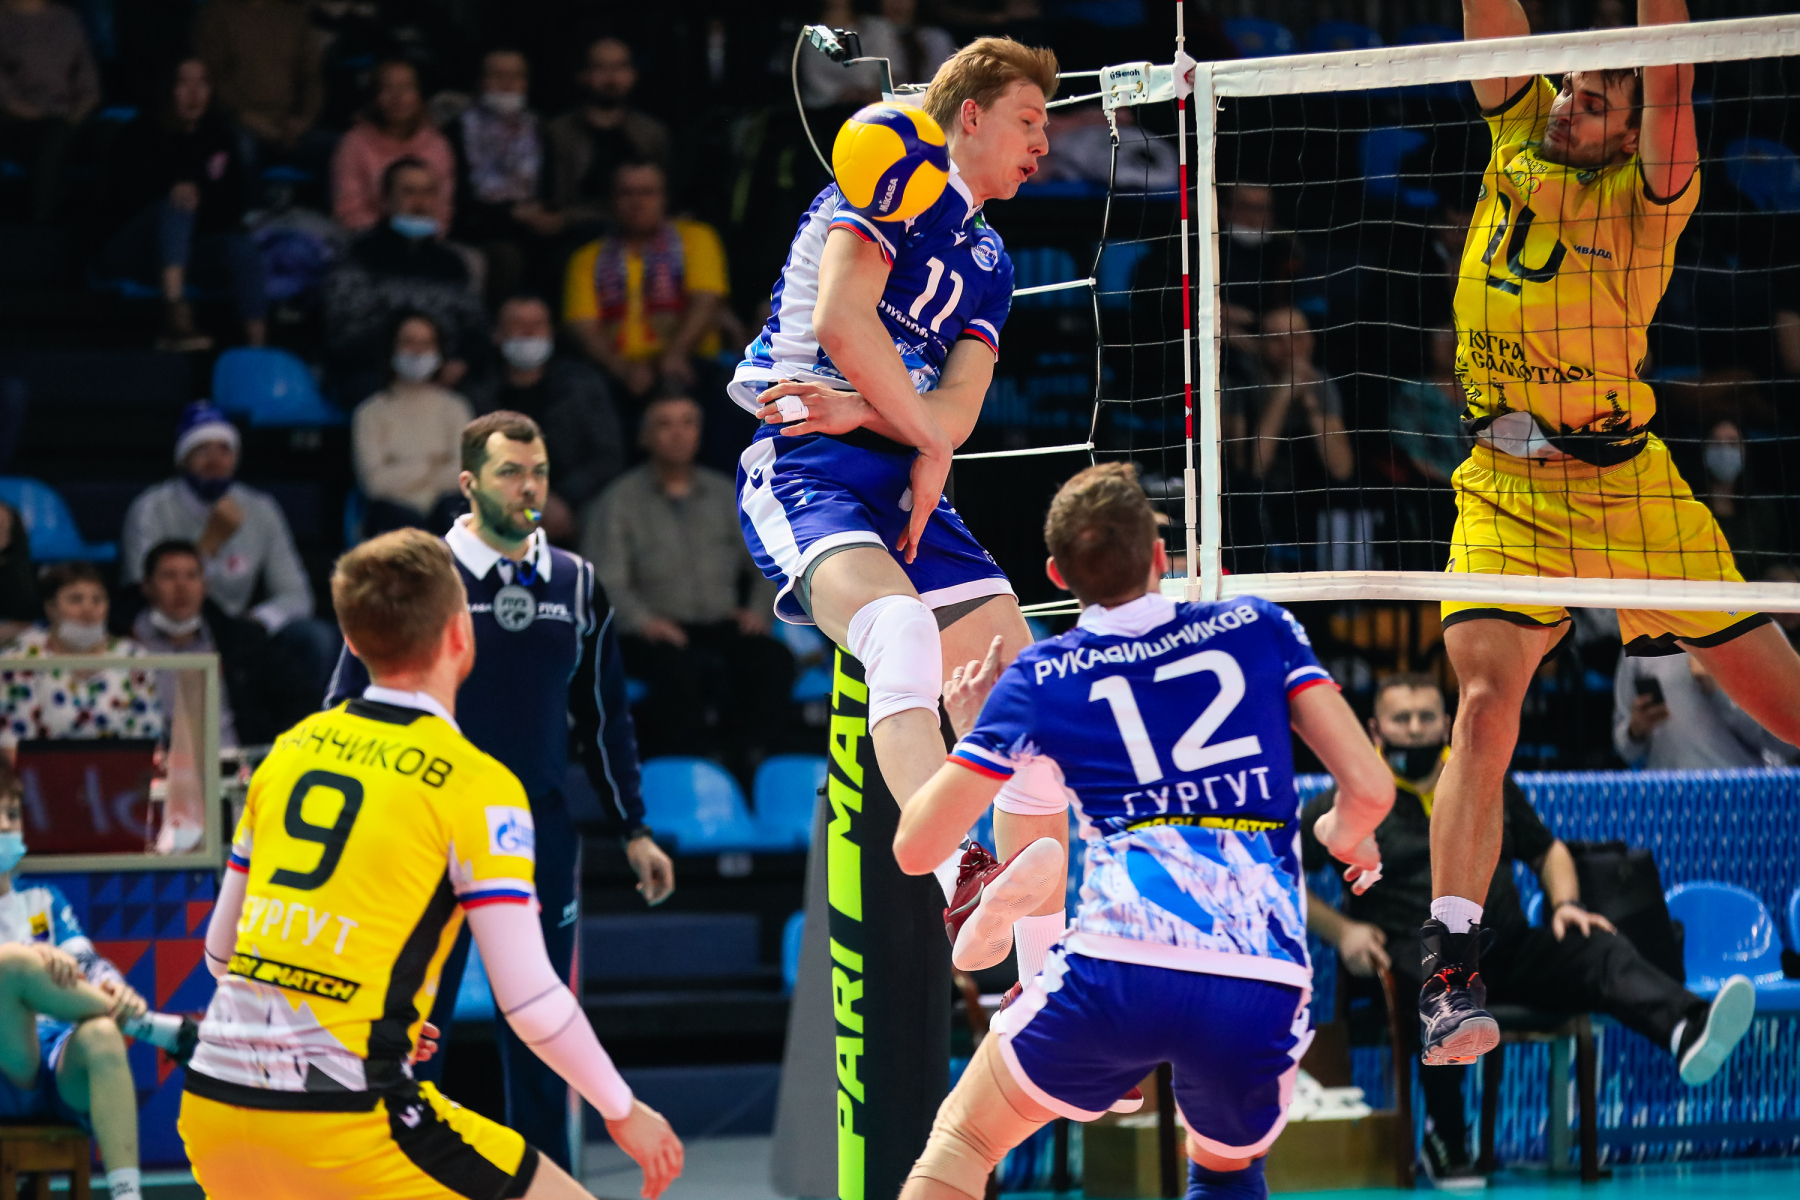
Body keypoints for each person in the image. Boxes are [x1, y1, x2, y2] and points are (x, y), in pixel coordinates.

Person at [1427, 0, 1800, 1064]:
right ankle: (1451, 973)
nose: (1570, 107)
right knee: (1485, 708)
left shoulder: (1648, 202)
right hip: (1503, 487)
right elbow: (1492, 20)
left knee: (1786, 706)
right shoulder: (1520, 127)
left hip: (1627, 489)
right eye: (1573, 88)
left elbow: (1672, 77)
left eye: (1595, 104)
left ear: (1632, 134)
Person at [887, 463, 1395, 1200]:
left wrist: (971, 731)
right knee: (1226, 1172)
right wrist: (1347, 832)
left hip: (1120, 962)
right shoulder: (1260, 626)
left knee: (963, 1143)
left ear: (1057, 575)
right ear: (1161, 555)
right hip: (1260, 974)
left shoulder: (1044, 674)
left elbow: (916, 848)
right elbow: (1371, 789)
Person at [181, 528, 684, 1200]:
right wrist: (622, 1109)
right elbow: (531, 1001)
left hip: (214, 1103)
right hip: (350, 1117)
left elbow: (221, 955)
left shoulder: (288, 752)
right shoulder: (476, 784)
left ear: (352, 641)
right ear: (460, 635)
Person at [732, 37, 1063, 975]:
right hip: (806, 465)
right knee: (900, 631)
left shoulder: (992, 258)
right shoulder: (886, 174)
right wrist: (921, 438)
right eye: (1029, 120)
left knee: (1028, 694)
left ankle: (1046, 989)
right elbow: (841, 322)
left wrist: (902, 428)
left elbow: (958, 413)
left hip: (902, 474)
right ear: (971, 116)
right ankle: (962, 877)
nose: (1045, 144)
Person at [325, 414, 674, 1171]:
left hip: (536, 830)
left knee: (545, 1026)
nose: (529, 488)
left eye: (539, 471)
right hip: (424, 833)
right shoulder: (421, 580)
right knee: (415, 1030)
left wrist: (634, 828)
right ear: (469, 484)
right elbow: (346, 705)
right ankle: (404, 1179)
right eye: (511, 472)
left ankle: (548, 1183)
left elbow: (605, 715)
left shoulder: (576, 582)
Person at [1302, 674, 1757, 1187]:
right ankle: (1447, 1139)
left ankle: (1686, 1028)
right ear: (1374, 730)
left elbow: (1547, 850)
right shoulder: (1353, 801)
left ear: (1447, 724)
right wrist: (1343, 931)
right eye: (1400, 719)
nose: (1414, 729)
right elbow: (1279, 871)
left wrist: (1566, 904)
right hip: (1416, 954)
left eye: (1426, 717)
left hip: (1504, 946)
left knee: (1595, 946)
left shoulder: (1481, 780)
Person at [0, 762, 197, 1200]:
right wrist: (32, 959)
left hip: (55, 1063)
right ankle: (151, 1028)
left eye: (11, 814)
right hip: (8, 1061)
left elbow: (86, 960)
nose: (4, 825)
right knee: (12, 964)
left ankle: (127, 1195)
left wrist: (112, 985)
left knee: (103, 1035)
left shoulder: (42, 899)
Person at [584, 395, 792, 776]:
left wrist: (758, 611)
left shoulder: (726, 493)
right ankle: (686, 770)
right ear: (644, 437)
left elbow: (766, 560)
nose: (679, 434)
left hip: (719, 624)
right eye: (665, 424)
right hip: (651, 632)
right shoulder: (619, 501)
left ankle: (749, 764)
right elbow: (606, 580)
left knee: (773, 661)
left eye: (688, 422)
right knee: (679, 675)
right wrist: (645, 622)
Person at [120, 402, 338, 730]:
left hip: (241, 630)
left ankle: (308, 737)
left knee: (316, 638)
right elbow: (140, 589)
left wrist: (254, 624)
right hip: (177, 628)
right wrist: (210, 543)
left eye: (225, 450)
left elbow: (297, 594)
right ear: (182, 458)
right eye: (202, 450)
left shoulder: (260, 508)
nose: (215, 460)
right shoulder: (151, 509)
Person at [101, 58, 267, 353]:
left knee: (241, 246)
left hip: (190, 251)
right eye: (183, 83)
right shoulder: (138, 133)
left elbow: (233, 206)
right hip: (136, 249)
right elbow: (121, 200)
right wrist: (170, 192)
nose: (194, 92)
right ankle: (175, 317)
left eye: (202, 83)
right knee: (177, 204)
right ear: (168, 89)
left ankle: (258, 349)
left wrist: (200, 199)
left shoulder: (221, 139)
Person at [562, 160, 729, 407]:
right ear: (611, 201)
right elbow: (582, 326)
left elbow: (706, 302)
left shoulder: (696, 238)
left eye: (647, 193)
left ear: (665, 199)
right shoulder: (587, 258)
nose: (637, 202)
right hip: (616, 370)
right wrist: (623, 369)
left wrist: (675, 354)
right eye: (627, 193)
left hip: (688, 362)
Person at [324, 158, 488, 403]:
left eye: (428, 192)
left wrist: (458, 362)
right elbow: (343, 333)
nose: (420, 202)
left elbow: (476, 327)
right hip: (377, 375)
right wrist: (403, 363)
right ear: (386, 200)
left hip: (442, 375)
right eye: (409, 192)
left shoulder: (452, 264)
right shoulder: (357, 255)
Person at [465, 295, 625, 543]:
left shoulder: (583, 385)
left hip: (573, 508)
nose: (529, 332)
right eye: (517, 323)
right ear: (497, 334)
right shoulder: (477, 393)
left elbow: (608, 456)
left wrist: (563, 498)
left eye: (538, 324)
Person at [0, 562, 162, 749]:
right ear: (51, 607)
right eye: (75, 599)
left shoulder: (134, 657)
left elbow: (149, 736)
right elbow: (10, 742)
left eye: (97, 599)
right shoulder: (20, 658)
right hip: (37, 768)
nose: (88, 608)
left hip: (120, 766)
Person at [448, 49, 556, 307]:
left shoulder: (539, 127)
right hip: (480, 228)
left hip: (532, 227)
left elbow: (548, 190)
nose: (508, 84)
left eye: (516, 76)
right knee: (508, 256)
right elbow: (458, 201)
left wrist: (547, 214)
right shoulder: (457, 130)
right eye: (498, 75)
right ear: (480, 82)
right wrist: (509, 213)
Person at [354, 311, 475, 536]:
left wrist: (401, 468)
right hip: (393, 516)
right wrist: (433, 462)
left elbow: (464, 473)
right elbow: (375, 484)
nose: (418, 351)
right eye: (408, 342)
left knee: (455, 512)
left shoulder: (455, 407)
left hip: (446, 511)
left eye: (426, 343)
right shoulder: (370, 413)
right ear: (391, 348)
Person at [133, 538, 259, 748]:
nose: (182, 586)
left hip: (230, 758)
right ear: (147, 586)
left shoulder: (238, 639)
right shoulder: (126, 642)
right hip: (155, 762)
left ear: (205, 586)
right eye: (169, 576)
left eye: (192, 576)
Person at [543, 37, 670, 237]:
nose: (612, 77)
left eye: (620, 67)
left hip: (639, 236)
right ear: (583, 74)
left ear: (633, 74)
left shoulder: (652, 133)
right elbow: (556, 203)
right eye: (601, 67)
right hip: (573, 235)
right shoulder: (558, 133)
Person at [1613, 648, 1796, 769]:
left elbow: (1789, 744)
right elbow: (1625, 749)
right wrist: (1636, 731)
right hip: (1669, 798)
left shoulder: (1757, 634)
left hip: (1742, 797)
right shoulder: (1639, 640)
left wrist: (1721, 692)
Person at [191, 0, 324, 165]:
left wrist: (303, 119)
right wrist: (248, 118)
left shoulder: (293, 16)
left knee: (338, 150)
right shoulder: (216, 14)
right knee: (241, 150)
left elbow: (312, 77)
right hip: (240, 123)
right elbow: (214, 77)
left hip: (291, 124)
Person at [0, 0, 99, 223]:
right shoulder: (4, 19)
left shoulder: (67, 19)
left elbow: (89, 86)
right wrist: (48, 119)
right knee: (55, 135)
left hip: (71, 120)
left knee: (117, 133)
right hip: (18, 123)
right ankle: (44, 218)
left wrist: (74, 117)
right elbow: (5, 97)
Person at [332, 59, 456, 234]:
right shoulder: (354, 143)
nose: (397, 97)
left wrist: (421, 238)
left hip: (425, 241)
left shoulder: (438, 146)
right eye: (387, 88)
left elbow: (443, 212)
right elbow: (349, 209)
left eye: (407, 88)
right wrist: (390, 237)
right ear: (374, 96)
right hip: (369, 239)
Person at [1389, 328, 1473, 486]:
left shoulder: (1492, 393)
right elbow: (1416, 456)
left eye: (1459, 334)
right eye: (1443, 334)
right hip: (1436, 490)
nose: (1453, 342)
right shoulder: (1412, 394)